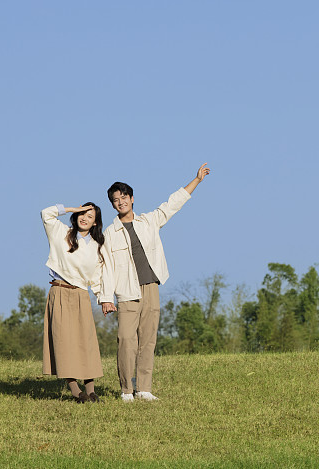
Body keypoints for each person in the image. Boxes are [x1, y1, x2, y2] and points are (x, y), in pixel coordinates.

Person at [100, 163, 211, 401]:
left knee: (148, 339)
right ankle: (126, 390)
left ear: (132, 199)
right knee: (126, 340)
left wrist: (197, 180)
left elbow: (172, 204)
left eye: (124, 197)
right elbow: (106, 267)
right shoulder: (110, 233)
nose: (121, 202)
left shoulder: (148, 221)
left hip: (151, 286)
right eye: (116, 200)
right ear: (112, 205)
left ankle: (144, 388)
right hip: (126, 292)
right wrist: (105, 298)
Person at [41, 202, 105, 403]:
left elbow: (96, 277)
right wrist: (70, 208)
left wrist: (104, 300)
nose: (84, 217)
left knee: (85, 342)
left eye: (90, 215)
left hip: (80, 295)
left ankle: (91, 391)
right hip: (59, 291)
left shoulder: (96, 246)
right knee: (64, 343)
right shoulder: (61, 232)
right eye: (82, 213)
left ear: (95, 223)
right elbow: (46, 213)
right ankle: (76, 392)